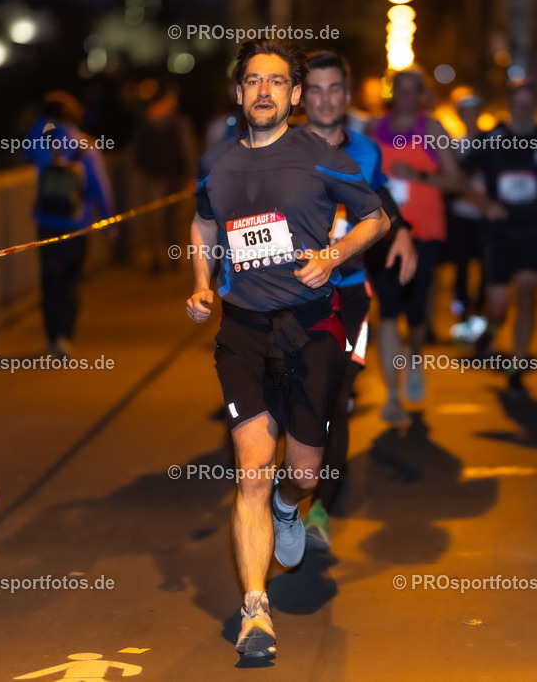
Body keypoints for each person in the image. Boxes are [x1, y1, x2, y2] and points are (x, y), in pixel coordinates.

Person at [186, 39, 389, 658]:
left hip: (310, 326)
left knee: (302, 472)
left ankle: (288, 505)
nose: (265, 92)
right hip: (243, 328)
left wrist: (331, 255)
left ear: (295, 96)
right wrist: (200, 281)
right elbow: (202, 222)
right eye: (254, 81)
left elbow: (374, 217)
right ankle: (255, 611)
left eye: (277, 82)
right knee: (251, 465)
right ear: (239, 92)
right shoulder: (219, 164)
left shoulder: (320, 156)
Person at [300, 50, 417, 548]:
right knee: (293, 399)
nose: (325, 99)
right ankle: (287, 491)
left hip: (348, 294)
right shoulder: (282, 149)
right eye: (315, 89)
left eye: (334, 89)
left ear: (346, 97)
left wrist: (404, 232)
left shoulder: (366, 151)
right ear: (301, 97)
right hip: (292, 293)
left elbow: (381, 199)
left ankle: (320, 509)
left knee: (337, 396)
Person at [367, 68, 463, 424]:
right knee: (388, 308)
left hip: (426, 233)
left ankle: (417, 356)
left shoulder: (433, 129)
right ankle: (392, 395)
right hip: (383, 233)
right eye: (401, 90)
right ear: (393, 93)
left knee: (417, 310)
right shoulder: (373, 129)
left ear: (421, 94)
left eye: (413, 90)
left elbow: (457, 180)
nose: (406, 96)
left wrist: (419, 175)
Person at [463, 79, 537, 394]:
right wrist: (483, 203)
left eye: (528, 102)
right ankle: (488, 332)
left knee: (528, 295)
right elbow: (459, 176)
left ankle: (517, 367)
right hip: (498, 231)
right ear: (509, 104)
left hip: (531, 228)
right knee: (498, 306)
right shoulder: (492, 138)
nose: (523, 108)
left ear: (535, 105)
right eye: (517, 102)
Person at [24, 91, 114, 359]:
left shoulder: (40, 140)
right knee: (71, 281)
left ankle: (52, 336)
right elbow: (100, 187)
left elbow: (25, 149)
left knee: (50, 279)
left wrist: (44, 122)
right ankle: (66, 335)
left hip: (47, 221)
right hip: (78, 222)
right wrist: (109, 222)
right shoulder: (86, 145)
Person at [133, 81, 198, 275]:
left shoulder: (171, 121)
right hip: (159, 177)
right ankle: (163, 259)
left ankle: (167, 258)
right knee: (161, 221)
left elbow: (188, 150)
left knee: (167, 221)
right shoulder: (153, 122)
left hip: (165, 177)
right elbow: (189, 150)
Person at [447, 92, 489, 343]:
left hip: (484, 216)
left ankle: (481, 318)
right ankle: (463, 318)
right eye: (466, 111)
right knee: (460, 268)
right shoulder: (455, 145)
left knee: (486, 268)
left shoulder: (492, 142)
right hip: (461, 216)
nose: (471, 116)